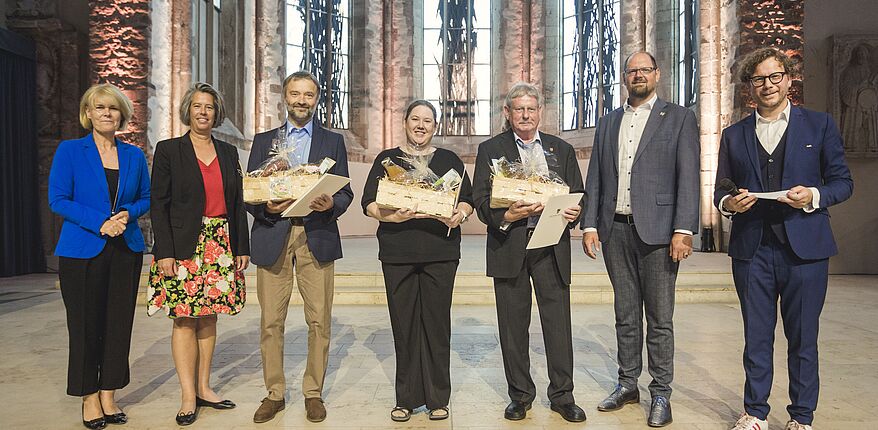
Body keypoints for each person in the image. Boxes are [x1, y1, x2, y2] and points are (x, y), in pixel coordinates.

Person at [716, 48, 853, 430]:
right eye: (759, 79)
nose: (768, 85)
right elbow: (720, 193)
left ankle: (802, 416)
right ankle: (755, 411)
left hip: (805, 249)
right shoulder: (734, 135)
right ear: (750, 87)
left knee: (803, 337)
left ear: (789, 79)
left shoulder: (819, 125)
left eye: (775, 76)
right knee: (756, 336)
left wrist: (813, 196)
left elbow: (842, 182)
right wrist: (731, 203)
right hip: (752, 248)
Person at [580, 51, 700, 427]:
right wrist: (589, 225)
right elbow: (597, 177)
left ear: (657, 74)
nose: (638, 76)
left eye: (644, 70)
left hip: (660, 233)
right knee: (625, 314)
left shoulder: (679, 117)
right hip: (615, 229)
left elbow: (689, 177)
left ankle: (661, 392)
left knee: (660, 318)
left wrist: (683, 229)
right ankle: (627, 382)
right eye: (632, 71)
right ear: (624, 77)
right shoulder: (609, 121)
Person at [471, 82, 586, 423]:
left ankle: (563, 396)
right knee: (512, 326)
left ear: (540, 112)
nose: (525, 115)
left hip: (551, 246)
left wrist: (575, 211)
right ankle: (520, 396)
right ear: (507, 113)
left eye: (531, 109)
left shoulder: (561, 149)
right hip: (510, 245)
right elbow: (480, 199)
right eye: (518, 109)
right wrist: (505, 215)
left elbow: (578, 193)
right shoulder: (490, 149)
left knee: (557, 324)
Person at [248, 71, 353, 424]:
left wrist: (331, 205)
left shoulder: (332, 141)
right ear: (286, 98)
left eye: (308, 95)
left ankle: (313, 392)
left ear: (317, 98)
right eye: (295, 94)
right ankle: (275, 392)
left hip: (316, 235)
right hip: (274, 232)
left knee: (319, 319)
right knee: (270, 321)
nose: (301, 101)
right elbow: (249, 192)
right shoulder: (265, 141)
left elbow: (346, 192)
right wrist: (266, 207)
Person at [361, 100, 474, 422]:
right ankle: (406, 399)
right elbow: (368, 202)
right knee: (404, 326)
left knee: (437, 326)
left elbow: (466, 200)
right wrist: (391, 216)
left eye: (427, 120)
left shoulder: (449, 160)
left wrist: (460, 214)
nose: (421, 125)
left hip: (441, 252)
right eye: (415, 119)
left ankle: (438, 397)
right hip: (398, 253)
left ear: (435, 126)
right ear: (405, 122)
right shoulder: (387, 160)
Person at [147, 82, 251, 426]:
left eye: (209, 107)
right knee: (184, 318)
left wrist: (241, 246)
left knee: (210, 316)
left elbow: (237, 203)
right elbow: (158, 205)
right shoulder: (169, 150)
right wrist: (163, 250)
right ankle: (187, 394)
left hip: (220, 242)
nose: (203, 112)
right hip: (183, 245)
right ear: (187, 111)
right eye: (197, 106)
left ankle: (205, 386)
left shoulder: (228, 152)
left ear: (216, 113)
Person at [48, 83, 150, 429]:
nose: (107, 113)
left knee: (119, 324)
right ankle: (88, 396)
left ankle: (109, 393)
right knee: (85, 326)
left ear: (122, 114)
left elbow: (146, 198)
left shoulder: (134, 156)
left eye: (113, 108)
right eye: (100, 107)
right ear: (88, 113)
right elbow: (58, 199)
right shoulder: (70, 151)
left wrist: (126, 214)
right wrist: (100, 223)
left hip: (125, 248)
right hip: (82, 250)